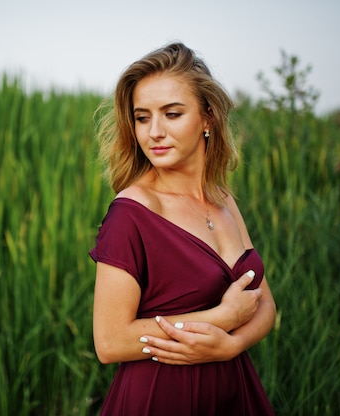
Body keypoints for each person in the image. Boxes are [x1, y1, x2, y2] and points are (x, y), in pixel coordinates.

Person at [89, 42, 276, 415]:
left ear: (207, 118)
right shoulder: (131, 214)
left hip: (234, 389)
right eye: (142, 117)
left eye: (172, 114)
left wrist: (231, 347)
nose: (154, 131)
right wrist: (219, 320)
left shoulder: (224, 200)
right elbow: (109, 342)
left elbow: (265, 305)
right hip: (161, 396)